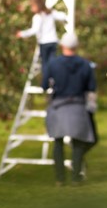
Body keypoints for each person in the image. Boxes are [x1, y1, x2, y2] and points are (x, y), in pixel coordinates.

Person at [42, 32, 97, 186]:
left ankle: (60, 179)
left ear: (62, 45)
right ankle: (75, 177)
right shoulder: (86, 64)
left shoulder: (53, 64)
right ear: (76, 46)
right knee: (78, 143)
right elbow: (91, 87)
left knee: (58, 143)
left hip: (59, 106)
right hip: (78, 107)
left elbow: (44, 85)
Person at [16, 0, 67, 69]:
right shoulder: (50, 13)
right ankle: (53, 78)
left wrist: (22, 34)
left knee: (45, 65)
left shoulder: (37, 17)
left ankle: (47, 79)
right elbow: (62, 16)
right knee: (52, 63)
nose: (31, 9)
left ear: (37, 6)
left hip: (44, 43)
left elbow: (34, 30)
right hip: (53, 41)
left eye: (32, 6)